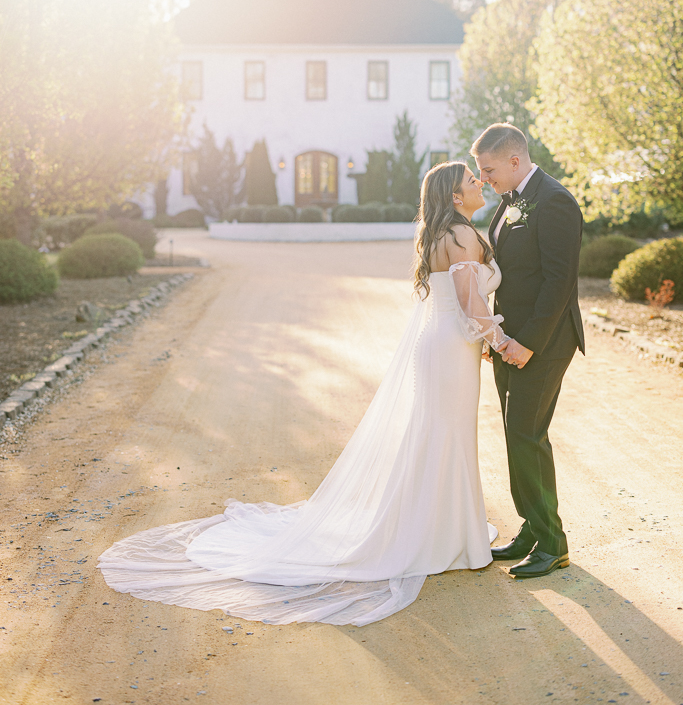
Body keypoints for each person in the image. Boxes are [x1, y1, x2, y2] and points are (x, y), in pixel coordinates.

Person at [98, 161, 510, 627]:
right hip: (451, 350)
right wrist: (501, 342)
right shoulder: (463, 236)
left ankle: (439, 530)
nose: (479, 183)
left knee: (435, 434)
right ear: (456, 197)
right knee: (447, 435)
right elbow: (471, 303)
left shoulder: (440, 234)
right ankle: (448, 536)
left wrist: (478, 338)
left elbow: (456, 303)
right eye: (472, 181)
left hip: (441, 346)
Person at [472, 123, 584, 579]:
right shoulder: (511, 200)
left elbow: (560, 282)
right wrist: (497, 338)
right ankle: (532, 529)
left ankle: (553, 544)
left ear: (515, 160)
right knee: (517, 436)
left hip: (544, 342)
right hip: (510, 341)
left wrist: (528, 344)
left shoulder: (555, 201)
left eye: (488, 169)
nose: (482, 178)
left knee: (527, 436)